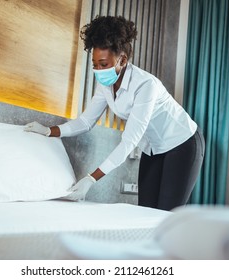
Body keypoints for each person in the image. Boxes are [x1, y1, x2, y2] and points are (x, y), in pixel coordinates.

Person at [24, 15, 205, 211]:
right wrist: (49, 131)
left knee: (166, 215)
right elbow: (85, 122)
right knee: (145, 211)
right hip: (153, 147)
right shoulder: (105, 85)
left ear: (122, 59)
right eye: (94, 64)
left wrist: (91, 179)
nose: (98, 70)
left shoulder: (145, 85)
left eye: (103, 64)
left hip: (183, 143)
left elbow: (129, 142)